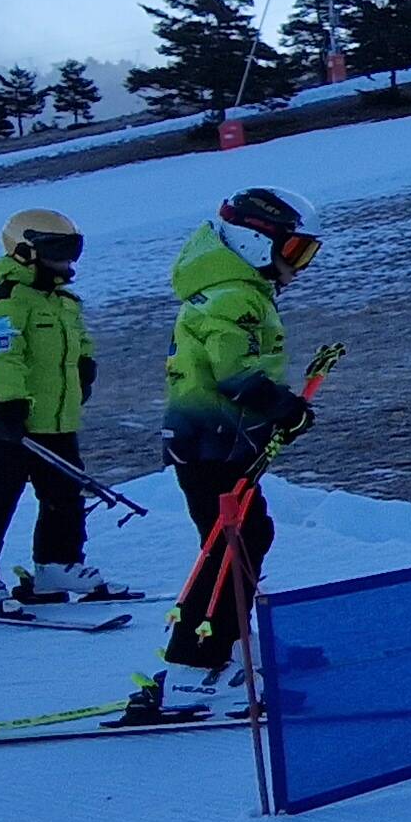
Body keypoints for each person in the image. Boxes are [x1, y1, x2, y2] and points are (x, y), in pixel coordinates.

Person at [131, 186, 323, 719]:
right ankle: (195, 668)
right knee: (228, 549)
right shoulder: (232, 296)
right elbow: (234, 373)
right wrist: (284, 407)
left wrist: (273, 416)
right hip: (210, 444)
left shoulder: (235, 289)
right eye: (295, 252)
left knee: (245, 537)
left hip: (219, 441)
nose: (299, 267)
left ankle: (229, 645)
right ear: (255, 243)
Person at [0, 208, 112, 615]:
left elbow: (78, 340)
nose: (68, 262)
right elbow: (0, 356)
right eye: (58, 251)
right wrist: (8, 406)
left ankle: (56, 565)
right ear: (26, 252)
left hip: (58, 421)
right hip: (10, 425)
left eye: (72, 251)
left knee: (64, 495)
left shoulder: (63, 301)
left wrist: (86, 364)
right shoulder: (8, 302)